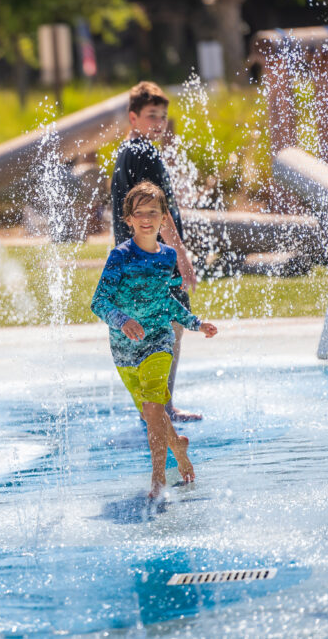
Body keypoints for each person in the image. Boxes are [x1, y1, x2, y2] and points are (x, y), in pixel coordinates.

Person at [92, 182, 218, 498]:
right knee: (152, 413)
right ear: (129, 220)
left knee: (153, 404)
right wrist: (122, 321)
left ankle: (158, 479)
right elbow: (99, 301)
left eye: (153, 212)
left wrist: (196, 323)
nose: (146, 219)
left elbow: (167, 300)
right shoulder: (119, 257)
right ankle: (178, 445)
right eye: (139, 214)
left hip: (159, 340)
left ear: (164, 218)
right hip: (125, 349)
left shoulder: (168, 256)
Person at [110, 81, 200, 422]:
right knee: (170, 328)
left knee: (155, 329)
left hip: (137, 259)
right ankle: (162, 408)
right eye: (151, 116)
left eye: (162, 115)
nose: (159, 122)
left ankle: (157, 407)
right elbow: (152, 211)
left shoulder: (127, 152)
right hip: (155, 260)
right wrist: (179, 256)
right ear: (134, 117)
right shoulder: (143, 153)